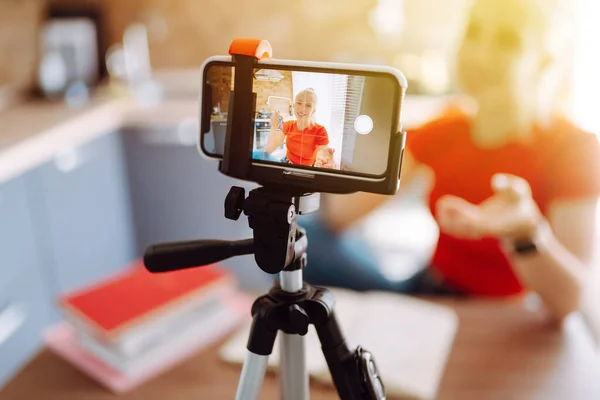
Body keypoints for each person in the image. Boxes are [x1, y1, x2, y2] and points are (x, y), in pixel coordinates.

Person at [300, 0, 600, 322]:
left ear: (544, 61)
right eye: (474, 32)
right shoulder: (447, 127)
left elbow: (568, 301)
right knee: (301, 238)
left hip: (506, 317)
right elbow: (342, 216)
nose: (481, 54)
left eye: (507, 41)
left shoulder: (574, 149)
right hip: (428, 290)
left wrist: (525, 232)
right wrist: (317, 159)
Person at [265, 88, 335, 168]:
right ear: (294, 106)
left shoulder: (320, 131)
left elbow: (324, 155)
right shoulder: (287, 125)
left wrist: (327, 162)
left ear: (313, 111)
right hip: (287, 164)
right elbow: (269, 150)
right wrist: (274, 127)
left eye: (308, 105)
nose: (302, 109)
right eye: (299, 103)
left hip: (308, 168)